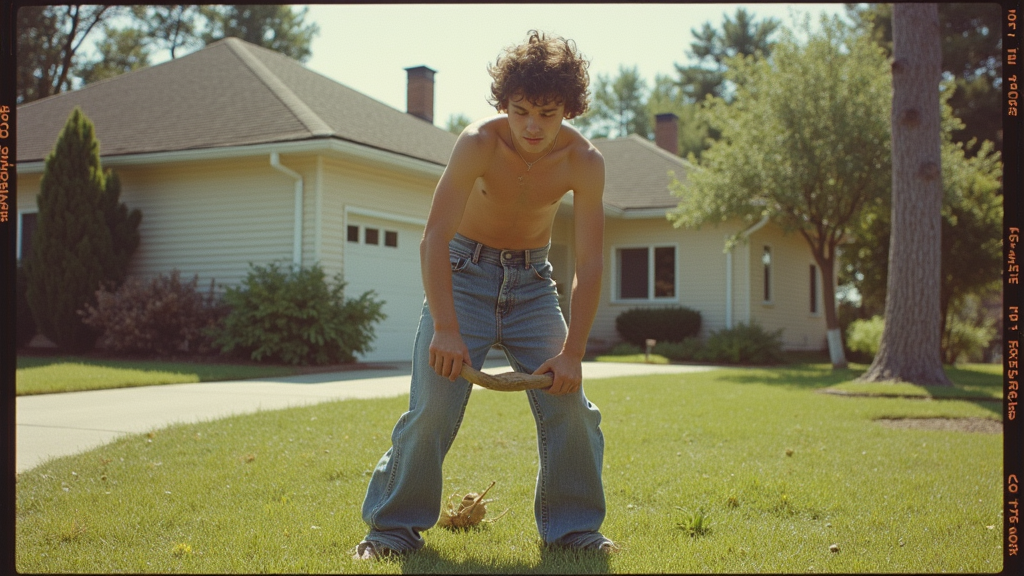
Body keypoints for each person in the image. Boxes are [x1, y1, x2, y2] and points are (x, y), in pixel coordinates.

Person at [354, 30, 612, 560]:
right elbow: (434, 238)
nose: (532, 126)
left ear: (568, 108)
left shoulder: (584, 162)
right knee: (431, 409)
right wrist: (446, 327)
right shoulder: (477, 144)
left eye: (547, 113)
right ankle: (391, 531)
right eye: (521, 111)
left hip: (533, 285)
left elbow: (589, 263)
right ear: (504, 104)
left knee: (571, 408)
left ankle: (574, 531)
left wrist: (573, 353)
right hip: (463, 276)